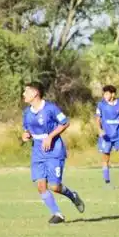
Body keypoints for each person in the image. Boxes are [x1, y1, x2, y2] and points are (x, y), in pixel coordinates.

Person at [21, 81, 85, 224]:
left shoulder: (50, 108)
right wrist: (26, 135)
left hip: (54, 151)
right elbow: (27, 129)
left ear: (35, 93)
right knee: (41, 186)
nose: (23, 94)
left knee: (55, 186)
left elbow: (65, 122)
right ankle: (57, 214)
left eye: (26, 91)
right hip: (37, 151)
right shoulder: (26, 112)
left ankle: (72, 196)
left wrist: (50, 136)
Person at [96, 85, 119, 189]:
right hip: (106, 136)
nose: (105, 96)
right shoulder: (101, 105)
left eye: (107, 93)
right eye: (104, 94)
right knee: (106, 159)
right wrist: (100, 130)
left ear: (113, 94)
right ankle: (107, 183)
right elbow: (97, 119)